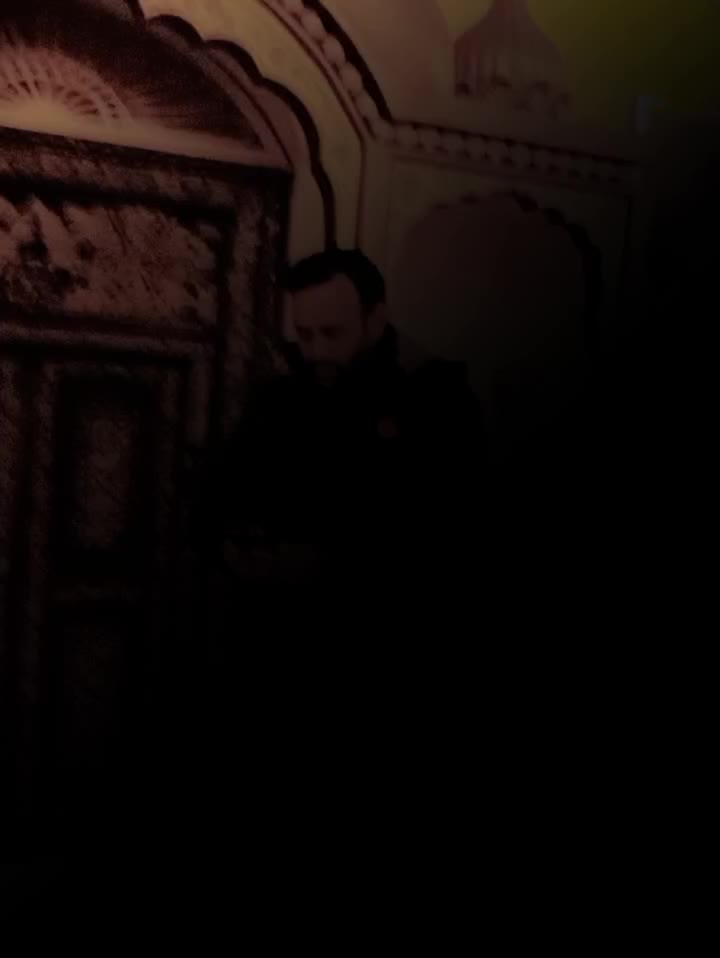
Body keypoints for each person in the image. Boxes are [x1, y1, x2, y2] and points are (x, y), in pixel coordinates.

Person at [198, 246, 486, 623]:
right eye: (305, 335)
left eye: (332, 333)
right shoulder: (282, 398)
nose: (317, 351)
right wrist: (236, 550)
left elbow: (448, 535)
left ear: (375, 320)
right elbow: (222, 493)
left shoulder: (435, 398)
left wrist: (327, 563)